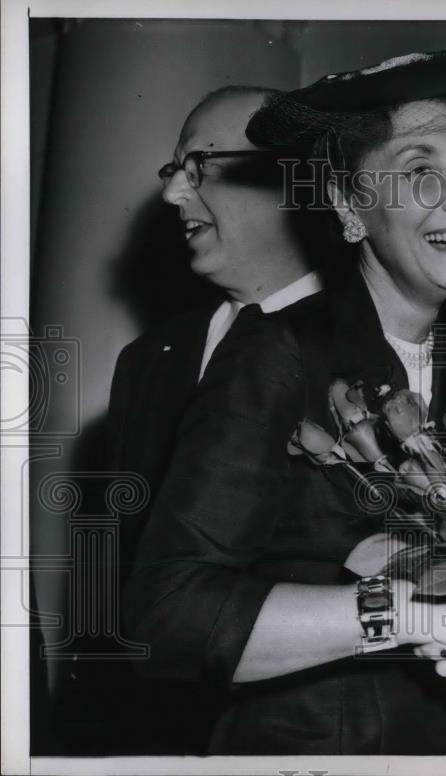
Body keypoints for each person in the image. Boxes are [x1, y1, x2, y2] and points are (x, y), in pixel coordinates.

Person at [122, 46, 446, 755]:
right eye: (420, 171)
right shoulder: (279, 353)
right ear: (348, 206)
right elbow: (165, 618)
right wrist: (396, 613)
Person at [102, 85, 324, 754]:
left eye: (199, 167)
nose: (173, 196)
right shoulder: (147, 360)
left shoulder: (367, 341)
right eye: (175, 171)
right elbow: (121, 585)